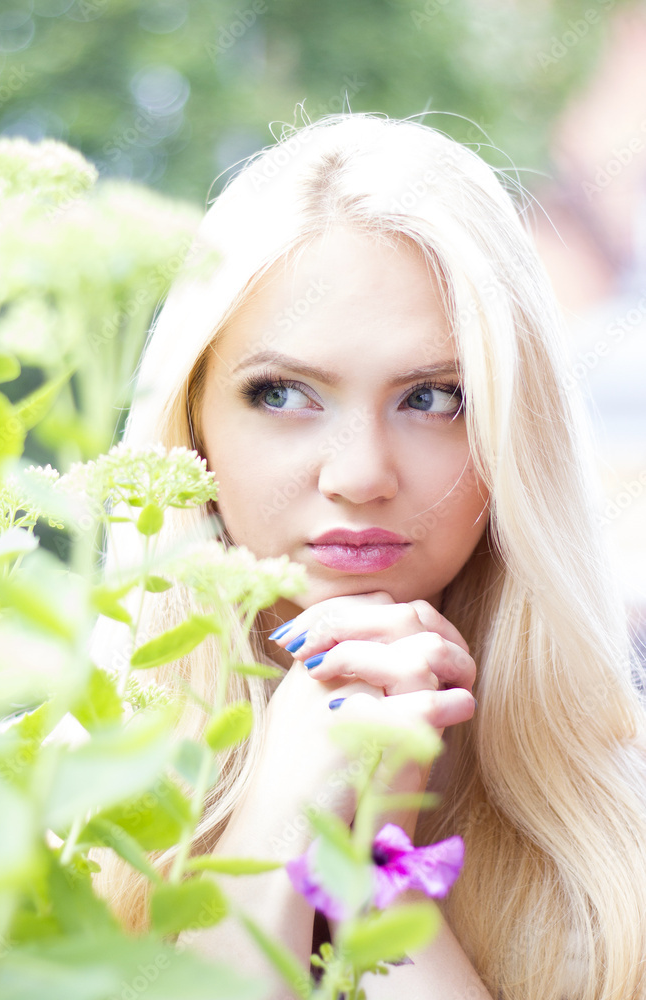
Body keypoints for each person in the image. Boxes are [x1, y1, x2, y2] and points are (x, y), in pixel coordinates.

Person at [91, 113, 646, 1000]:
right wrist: (279, 814)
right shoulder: (20, 796)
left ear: (514, 429)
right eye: (282, 394)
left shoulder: (625, 849)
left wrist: (379, 880)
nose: (358, 475)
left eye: (432, 397)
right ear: (190, 419)